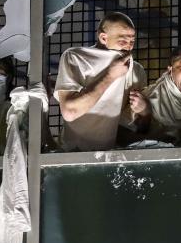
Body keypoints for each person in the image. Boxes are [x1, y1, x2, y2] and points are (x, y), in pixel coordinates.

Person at [54, 12, 150, 151]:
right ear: (104, 38)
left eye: (132, 42)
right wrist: (110, 76)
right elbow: (70, 111)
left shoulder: (135, 71)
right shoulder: (76, 57)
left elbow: (134, 130)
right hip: (71, 152)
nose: (128, 47)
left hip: (110, 155)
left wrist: (146, 113)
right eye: (123, 41)